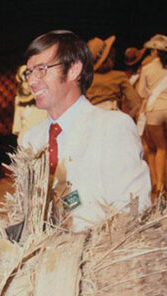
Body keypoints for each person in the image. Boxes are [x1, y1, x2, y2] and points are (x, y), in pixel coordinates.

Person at [18, 30, 151, 231]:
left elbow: (133, 212)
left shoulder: (112, 128)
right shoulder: (30, 140)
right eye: (29, 71)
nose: (32, 81)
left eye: (42, 69)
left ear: (74, 70)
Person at [137, 34, 167, 194]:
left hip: (154, 111)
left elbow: (141, 92)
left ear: (155, 51)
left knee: (159, 148)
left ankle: (159, 183)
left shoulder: (148, 69)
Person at [85, 35, 141, 116]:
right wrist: (128, 118)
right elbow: (135, 102)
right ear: (109, 56)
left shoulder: (87, 78)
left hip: (92, 117)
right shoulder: (119, 76)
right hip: (113, 114)